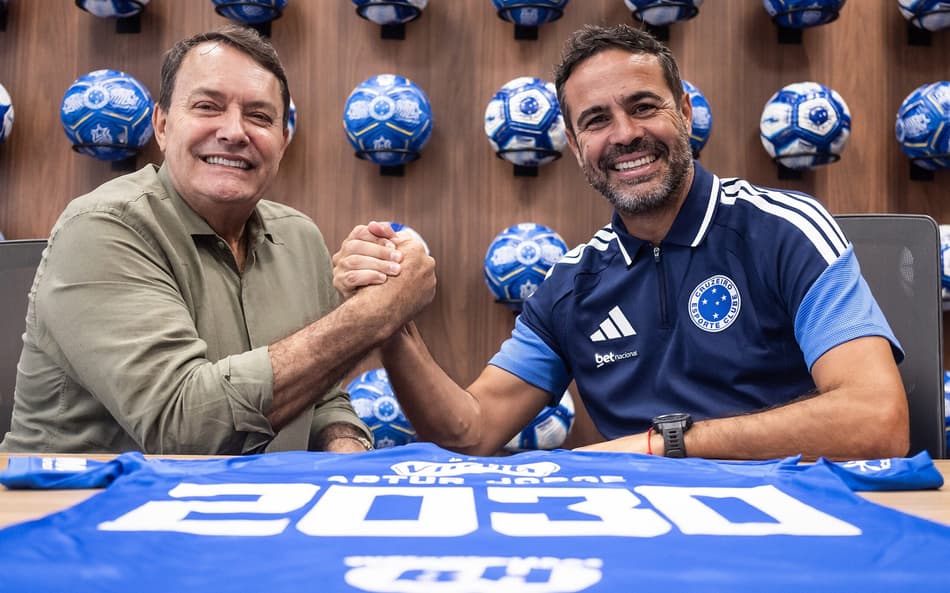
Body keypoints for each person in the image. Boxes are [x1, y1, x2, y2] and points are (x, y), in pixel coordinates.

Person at [333, 23, 909, 460]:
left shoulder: (784, 228)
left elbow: (877, 419)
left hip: (792, 530)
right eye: (596, 120)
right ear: (576, 144)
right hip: (643, 543)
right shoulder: (570, 285)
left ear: (684, 113)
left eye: (643, 107)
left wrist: (666, 445)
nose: (625, 135)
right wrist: (388, 319)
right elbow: (471, 429)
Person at [0, 26, 435, 454]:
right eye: (208, 106)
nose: (234, 131)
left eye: (260, 117)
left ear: (283, 142)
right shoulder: (102, 228)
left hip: (244, 509)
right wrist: (373, 315)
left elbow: (321, 397)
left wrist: (346, 448)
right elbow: (183, 427)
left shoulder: (299, 237)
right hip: (82, 512)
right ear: (163, 125)